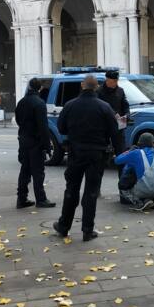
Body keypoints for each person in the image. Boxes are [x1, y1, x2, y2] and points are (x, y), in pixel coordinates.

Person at [53, 75, 120, 242]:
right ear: (96, 87)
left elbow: (61, 128)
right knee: (91, 193)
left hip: (76, 153)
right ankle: (87, 230)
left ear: (83, 86)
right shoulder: (104, 107)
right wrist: (117, 151)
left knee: (71, 190)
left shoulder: (70, 105)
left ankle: (63, 226)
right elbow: (114, 131)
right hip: (97, 155)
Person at [15, 78, 55, 209]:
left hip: (24, 139)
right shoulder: (39, 103)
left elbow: (18, 120)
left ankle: (21, 198)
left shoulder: (21, 102)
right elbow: (43, 127)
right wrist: (47, 146)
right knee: (38, 172)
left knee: (25, 170)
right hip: (35, 142)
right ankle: (41, 199)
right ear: (40, 88)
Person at [114, 133, 154, 211]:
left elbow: (117, 160)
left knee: (123, 186)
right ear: (152, 144)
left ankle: (140, 201)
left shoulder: (135, 153)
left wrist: (129, 151)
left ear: (139, 144)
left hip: (142, 190)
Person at [97, 70, 130, 199]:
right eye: (112, 81)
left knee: (122, 157)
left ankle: (122, 188)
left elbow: (125, 106)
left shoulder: (120, 91)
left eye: (116, 81)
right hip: (103, 131)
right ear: (107, 80)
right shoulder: (99, 92)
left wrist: (126, 115)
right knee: (100, 160)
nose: (114, 83)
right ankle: (96, 188)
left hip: (118, 129)